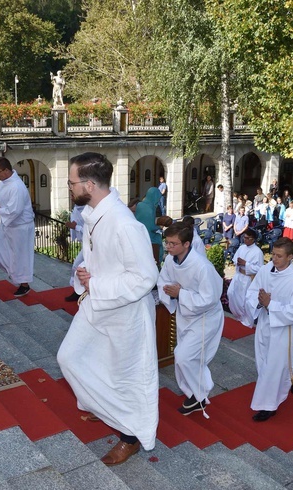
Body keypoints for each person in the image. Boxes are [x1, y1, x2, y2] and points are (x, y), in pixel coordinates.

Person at [57, 152, 159, 467]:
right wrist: (85, 275)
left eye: (72, 182)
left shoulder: (124, 224)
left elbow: (145, 277)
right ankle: (104, 408)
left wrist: (96, 285)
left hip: (126, 313)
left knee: (127, 377)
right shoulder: (94, 211)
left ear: (89, 183)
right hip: (98, 304)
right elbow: (96, 259)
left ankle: (131, 437)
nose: (69, 187)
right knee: (70, 357)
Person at [158, 222, 224, 416]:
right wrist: (171, 293)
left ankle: (200, 393)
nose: (168, 247)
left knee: (184, 356)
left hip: (205, 318)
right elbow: (163, 280)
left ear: (187, 244)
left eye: (173, 243)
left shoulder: (202, 266)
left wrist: (181, 294)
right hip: (185, 314)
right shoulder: (171, 260)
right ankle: (194, 393)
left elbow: (210, 298)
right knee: (185, 356)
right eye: (167, 243)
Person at [246, 237, 293, 421]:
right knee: (263, 363)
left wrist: (270, 304)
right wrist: (259, 303)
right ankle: (292, 374)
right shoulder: (265, 270)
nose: (274, 258)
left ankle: (269, 406)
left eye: (279, 256)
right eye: (273, 254)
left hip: (285, 331)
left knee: (273, 368)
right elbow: (252, 291)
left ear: (290, 257)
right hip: (266, 324)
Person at [0, 157, 35, 297]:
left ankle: (24, 285)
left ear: (6, 170)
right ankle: (15, 273)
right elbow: (1, 198)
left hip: (21, 225)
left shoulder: (17, 186)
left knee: (21, 256)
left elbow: (15, 211)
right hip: (8, 222)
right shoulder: (4, 182)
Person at [227, 228, 264, 327]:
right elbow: (235, 259)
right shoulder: (242, 247)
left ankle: (245, 319)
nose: (245, 239)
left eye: (247, 238)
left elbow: (260, 268)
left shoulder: (258, 252)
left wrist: (246, 264)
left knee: (242, 300)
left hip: (247, 278)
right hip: (238, 275)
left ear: (253, 239)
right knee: (230, 293)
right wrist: (238, 262)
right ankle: (237, 316)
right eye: (244, 237)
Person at [65, 202, 86, 302]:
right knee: (79, 267)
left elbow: (89, 230)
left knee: (77, 266)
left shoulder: (88, 208)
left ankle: (79, 292)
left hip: (90, 244)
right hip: (85, 243)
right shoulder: (77, 207)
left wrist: (75, 227)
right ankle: (79, 291)